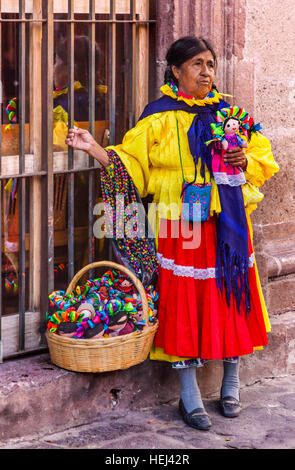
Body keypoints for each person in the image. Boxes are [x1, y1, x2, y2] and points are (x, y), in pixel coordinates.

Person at [65, 36, 279, 431]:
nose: (206, 72)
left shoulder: (230, 113)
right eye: (197, 64)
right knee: (183, 300)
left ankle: (231, 381)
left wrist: (244, 157)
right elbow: (131, 163)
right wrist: (94, 147)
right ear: (176, 70)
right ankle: (189, 393)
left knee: (231, 294)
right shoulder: (158, 116)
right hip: (179, 223)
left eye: (211, 64)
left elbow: (263, 155)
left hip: (226, 222)